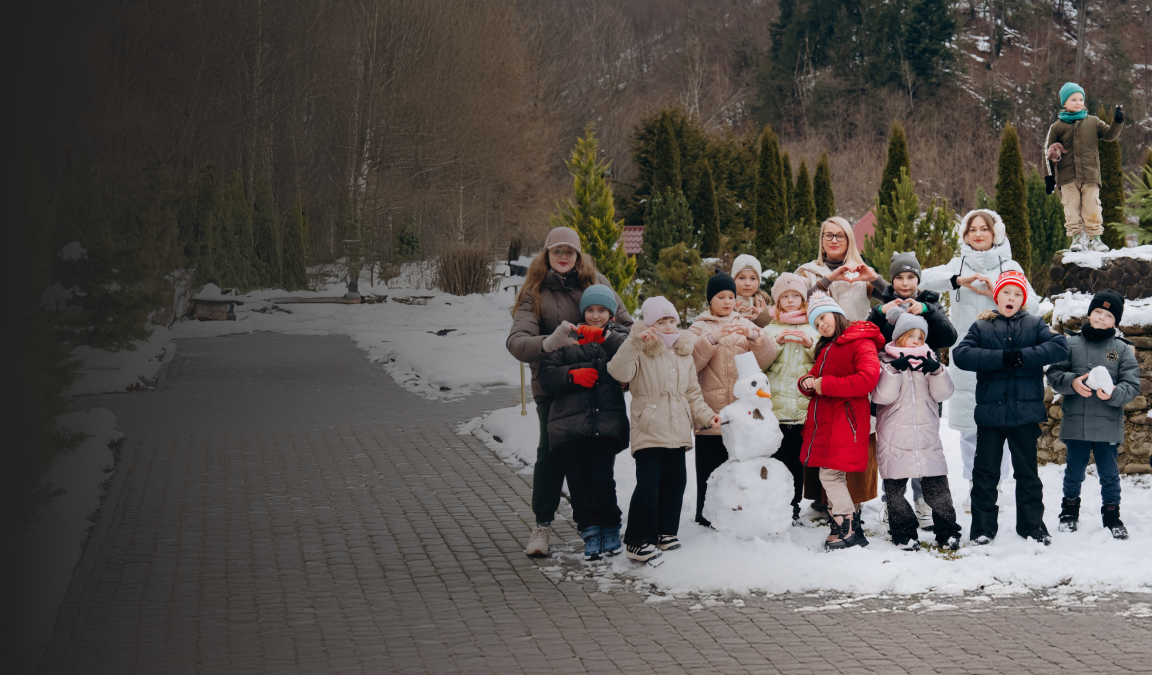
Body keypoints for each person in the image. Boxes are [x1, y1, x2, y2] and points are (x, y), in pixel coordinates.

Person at [507, 226, 633, 558]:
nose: (563, 257)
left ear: (578, 255)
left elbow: (626, 326)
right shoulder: (534, 292)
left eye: (570, 251)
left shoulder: (596, 283)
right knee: (552, 453)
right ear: (546, 255)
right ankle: (543, 524)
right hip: (555, 383)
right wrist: (548, 343)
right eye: (556, 251)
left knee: (595, 461)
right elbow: (518, 341)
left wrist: (621, 365)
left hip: (599, 383)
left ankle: (596, 522)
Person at [920, 210, 1038, 512]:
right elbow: (922, 277)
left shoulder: (1009, 266)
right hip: (967, 356)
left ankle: (994, 483)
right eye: (972, 229)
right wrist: (960, 281)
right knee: (970, 424)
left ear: (995, 232)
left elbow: (1033, 305)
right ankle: (975, 486)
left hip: (1002, 354)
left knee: (1001, 423)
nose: (978, 234)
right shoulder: (958, 264)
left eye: (984, 228)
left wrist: (998, 288)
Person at [952, 271, 1069, 545]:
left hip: (1025, 415)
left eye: (1017, 294)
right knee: (985, 473)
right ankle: (983, 528)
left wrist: (1022, 357)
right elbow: (962, 354)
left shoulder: (1034, 324)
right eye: (1007, 292)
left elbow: (1060, 346)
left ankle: (1032, 526)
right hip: (991, 416)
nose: (1011, 298)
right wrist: (1003, 358)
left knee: (1027, 474)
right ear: (997, 296)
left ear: (1023, 300)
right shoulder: (981, 327)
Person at [607, 296, 719, 562]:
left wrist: (706, 416)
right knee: (649, 486)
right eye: (661, 321)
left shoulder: (683, 352)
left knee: (675, 483)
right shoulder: (640, 348)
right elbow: (618, 371)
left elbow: (692, 392)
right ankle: (638, 540)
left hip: (677, 430)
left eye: (671, 321)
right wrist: (634, 342)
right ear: (650, 325)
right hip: (649, 427)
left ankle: (665, 532)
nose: (668, 326)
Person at [796, 216, 886, 520]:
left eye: (841, 236)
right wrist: (830, 279)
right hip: (820, 350)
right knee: (825, 421)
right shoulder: (808, 272)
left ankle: (855, 499)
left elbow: (894, 296)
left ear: (849, 240)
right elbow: (799, 301)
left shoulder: (862, 272)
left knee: (855, 422)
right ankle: (823, 500)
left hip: (857, 349)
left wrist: (873, 278)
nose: (834, 241)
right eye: (828, 235)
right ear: (821, 239)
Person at [536, 285, 630, 560]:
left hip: (605, 422)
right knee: (577, 482)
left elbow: (631, 357)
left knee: (601, 479)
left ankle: (610, 526)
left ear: (611, 313)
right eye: (590, 310)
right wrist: (572, 376)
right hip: (569, 424)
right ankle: (589, 530)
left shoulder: (619, 337)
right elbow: (546, 375)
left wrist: (604, 337)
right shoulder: (567, 336)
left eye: (602, 310)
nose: (595, 315)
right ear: (582, 312)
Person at [866, 251, 958, 528]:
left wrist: (929, 312)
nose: (905, 282)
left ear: (917, 279)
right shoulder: (884, 305)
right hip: (892, 388)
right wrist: (878, 313)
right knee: (893, 448)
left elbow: (949, 337)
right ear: (892, 280)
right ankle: (891, 502)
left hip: (925, 390)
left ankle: (922, 501)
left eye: (910, 277)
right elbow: (867, 338)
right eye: (899, 277)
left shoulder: (929, 302)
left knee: (924, 447)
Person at [1046, 290, 1138, 539]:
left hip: (1107, 425)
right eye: (1097, 311)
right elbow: (1054, 374)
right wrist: (1072, 382)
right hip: (1076, 423)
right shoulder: (1069, 343)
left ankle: (1111, 514)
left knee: (1109, 473)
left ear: (1115, 322)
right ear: (1089, 313)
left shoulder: (1122, 350)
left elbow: (1132, 385)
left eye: (1108, 315)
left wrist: (1115, 393)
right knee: (1074, 470)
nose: (1100, 318)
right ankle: (1069, 511)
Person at [690, 271, 778, 527]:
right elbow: (692, 362)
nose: (727, 301)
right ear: (710, 300)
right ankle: (704, 516)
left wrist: (754, 336)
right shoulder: (698, 327)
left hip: (742, 414)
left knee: (737, 467)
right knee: (709, 469)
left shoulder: (745, 323)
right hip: (710, 409)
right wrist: (712, 340)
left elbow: (767, 357)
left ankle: (736, 515)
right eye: (721, 296)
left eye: (731, 296)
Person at [798, 293, 884, 550]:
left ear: (836, 314)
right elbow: (816, 375)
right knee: (831, 473)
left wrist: (824, 385)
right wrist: (806, 382)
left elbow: (868, 378)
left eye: (823, 317)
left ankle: (846, 526)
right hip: (828, 418)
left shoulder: (859, 341)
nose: (821, 325)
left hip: (846, 418)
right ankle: (847, 526)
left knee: (831, 473)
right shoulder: (826, 346)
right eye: (816, 324)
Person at [871, 313, 962, 551]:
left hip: (926, 435)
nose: (916, 341)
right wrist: (892, 371)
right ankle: (903, 533)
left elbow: (943, 394)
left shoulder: (930, 360)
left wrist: (937, 371)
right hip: (894, 435)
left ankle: (948, 531)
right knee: (895, 489)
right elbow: (881, 396)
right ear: (899, 337)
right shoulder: (884, 360)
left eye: (920, 337)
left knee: (937, 487)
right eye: (911, 335)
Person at [761, 272, 818, 522]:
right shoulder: (770, 328)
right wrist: (777, 342)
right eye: (786, 296)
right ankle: (775, 503)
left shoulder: (814, 326)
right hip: (776, 406)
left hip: (803, 406)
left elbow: (823, 359)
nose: (792, 300)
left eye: (796, 295)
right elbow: (760, 363)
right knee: (777, 459)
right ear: (778, 301)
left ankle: (794, 504)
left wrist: (809, 344)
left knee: (797, 460)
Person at [1043, 82, 1125, 252]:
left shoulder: (1093, 122)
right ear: (1064, 103)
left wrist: (1117, 121)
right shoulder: (1057, 127)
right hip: (1067, 177)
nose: (1078, 102)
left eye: (1081, 99)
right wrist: (1049, 178)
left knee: (1092, 207)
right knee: (1071, 208)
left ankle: (1095, 238)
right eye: (1073, 99)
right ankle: (1077, 238)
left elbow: (1110, 135)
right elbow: (1048, 153)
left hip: (1090, 175)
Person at [731, 254, 773, 327]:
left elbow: (772, 328)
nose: (747, 283)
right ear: (733, 280)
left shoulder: (764, 303)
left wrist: (760, 316)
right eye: (742, 278)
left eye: (753, 278)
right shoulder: (725, 301)